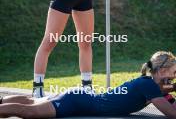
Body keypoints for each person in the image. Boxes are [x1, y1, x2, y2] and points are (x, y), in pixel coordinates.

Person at [1, 51, 176, 118]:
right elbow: (171, 113)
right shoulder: (150, 87)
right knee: (30, 112)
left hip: (80, 97)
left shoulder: (153, 86)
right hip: (78, 101)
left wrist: (172, 88)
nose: (175, 76)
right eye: (174, 72)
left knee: (32, 102)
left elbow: (171, 102)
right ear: (161, 71)